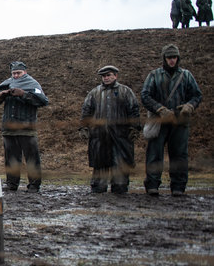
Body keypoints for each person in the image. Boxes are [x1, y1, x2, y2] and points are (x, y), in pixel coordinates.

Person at [140, 44, 203, 196]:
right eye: (169, 58)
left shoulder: (186, 75)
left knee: (179, 155)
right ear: (164, 58)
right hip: (159, 120)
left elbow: (197, 95)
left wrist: (189, 106)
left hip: (180, 121)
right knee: (154, 154)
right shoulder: (154, 75)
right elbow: (145, 96)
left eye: (174, 57)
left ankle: (178, 187)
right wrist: (160, 109)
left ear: (178, 58)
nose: (172, 60)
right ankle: (153, 185)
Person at [0, 61, 49, 192]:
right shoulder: (6, 83)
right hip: (9, 129)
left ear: (25, 72)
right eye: (13, 73)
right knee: (11, 159)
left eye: (18, 73)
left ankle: (34, 185)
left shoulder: (33, 84)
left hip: (27, 129)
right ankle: (11, 184)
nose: (15, 76)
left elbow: (43, 101)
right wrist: (1, 95)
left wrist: (24, 94)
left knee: (32, 159)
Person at [79, 66, 140, 194]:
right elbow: (86, 111)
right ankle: (98, 189)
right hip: (100, 137)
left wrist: (134, 128)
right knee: (99, 173)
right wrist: (84, 127)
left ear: (115, 76)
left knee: (120, 175)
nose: (106, 78)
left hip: (121, 137)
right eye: (104, 76)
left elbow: (133, 111)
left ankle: (119, 190)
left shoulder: (125, 92)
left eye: (109, 75)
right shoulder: (94, 93)